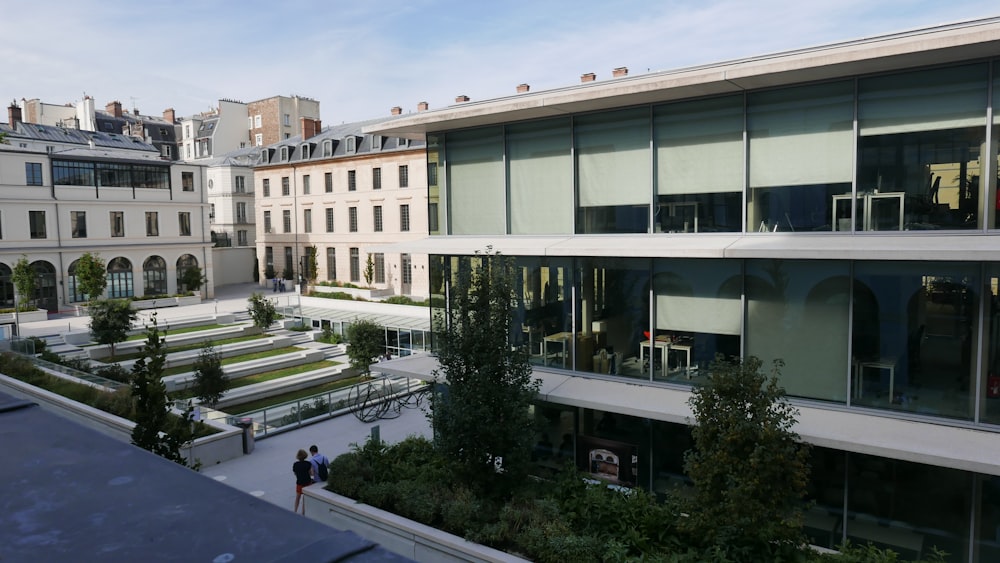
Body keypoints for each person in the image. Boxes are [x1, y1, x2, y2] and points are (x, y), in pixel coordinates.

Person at [292, 449, 313, 515]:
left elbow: (295, 473)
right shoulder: (308, 463)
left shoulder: (295, 464)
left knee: (297, 497)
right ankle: (303, 512)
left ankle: (295, 511)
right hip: (307, 482)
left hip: (299, 482)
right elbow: (311, 473)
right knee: (304, 499)